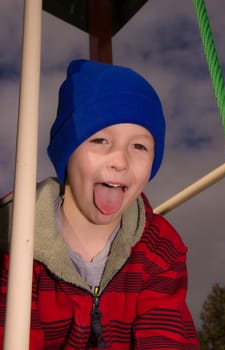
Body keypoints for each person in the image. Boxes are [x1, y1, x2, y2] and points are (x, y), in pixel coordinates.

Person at [0, 59, 199, 349]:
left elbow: (166, 337)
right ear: (68, 152)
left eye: (139, 146)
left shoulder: (159, 248)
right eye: (100, 140)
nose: (120, 160)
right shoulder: (13, 239)